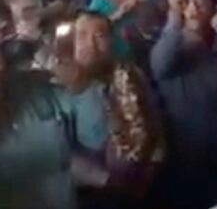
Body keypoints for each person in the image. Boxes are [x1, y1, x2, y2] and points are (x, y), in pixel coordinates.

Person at [0, 0, 80, 209]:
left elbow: (93, 136)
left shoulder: (33, 84)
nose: (0, 48)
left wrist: (80, 85)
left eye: (6, 36)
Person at [56, 11, 166, 209]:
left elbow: (154, 120)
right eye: (81, 35)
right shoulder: (57, 87)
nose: (90, 44)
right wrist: (105, 180)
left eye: (98, 36)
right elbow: (58, 153)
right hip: (89, 193)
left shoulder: (129, 74)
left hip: (140, 186)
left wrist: (153, 165)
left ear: (110, 41)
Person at [150, 0, 217, 209]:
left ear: (213, 9)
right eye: (187, 2)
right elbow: (160, 64)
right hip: (184, 154)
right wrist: (174, 19)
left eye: (201, 2)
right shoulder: (172, 46)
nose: (194, 8)